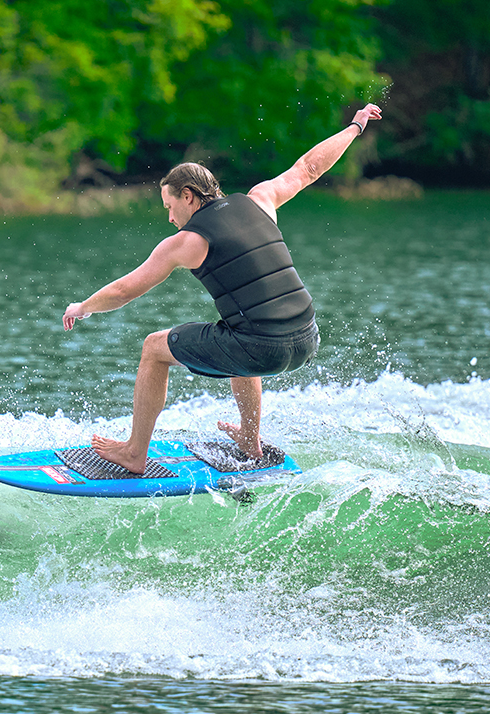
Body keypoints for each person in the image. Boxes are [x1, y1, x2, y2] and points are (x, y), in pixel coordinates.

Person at [63, 103, 383, 475]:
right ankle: (250, 439)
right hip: (307, 337)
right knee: (237, 329)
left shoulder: (188, 240)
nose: (169, 218)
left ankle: (134, 453)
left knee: (154, 348)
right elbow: (309, 168)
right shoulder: (260, 199)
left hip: (264, 348)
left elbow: (123, 291)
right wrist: (355, 126)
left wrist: (82, 306)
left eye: (169, 206)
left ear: (188, 196)